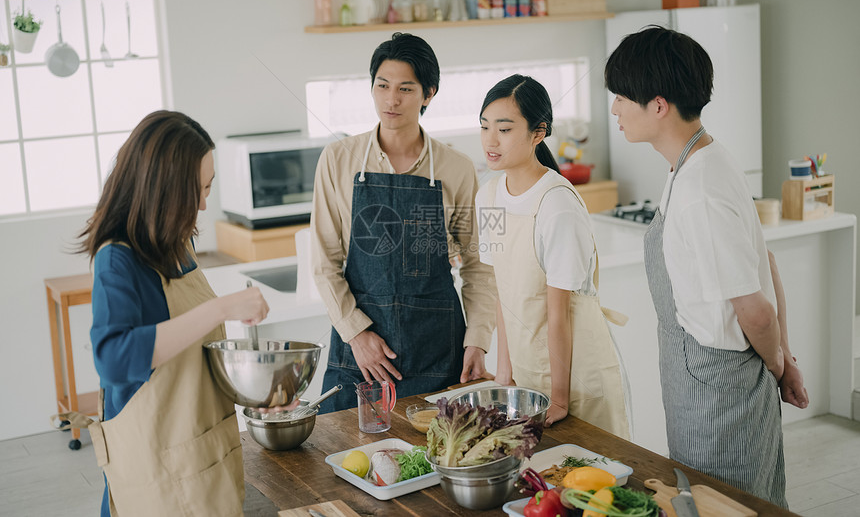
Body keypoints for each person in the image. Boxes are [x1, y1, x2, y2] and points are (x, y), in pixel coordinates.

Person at [605, 26, 809, 506]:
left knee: (726, 505)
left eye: (620, 97)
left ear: (657, 105)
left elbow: (754, 308)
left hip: (720, 394)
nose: (614, 109)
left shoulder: (700, 188)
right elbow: (767, 261)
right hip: (699, 379)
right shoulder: (699, 160)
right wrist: (786, 359)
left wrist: (779, 366)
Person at [75, 110, 272, 516]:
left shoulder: (177, 244)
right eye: (195, 192)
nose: (202, 204)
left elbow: (192, 357)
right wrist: (223, 306)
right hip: (158, 472)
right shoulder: (118, 260)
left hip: (205, 455)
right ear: (162, 190)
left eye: (208, 188)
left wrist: (255, 392)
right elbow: (113, 360)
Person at [311, 32, 496, 413]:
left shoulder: (456, 168)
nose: (391, 99)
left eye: (405, 89)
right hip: (361, 350)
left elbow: (479, 265)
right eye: (382, 85)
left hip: (439, 351)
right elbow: (323, 261)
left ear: (429, 94)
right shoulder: (338, 159)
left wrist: (477, 340)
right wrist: (357, 333)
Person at [475, 74, 630, 436]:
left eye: (505, 129)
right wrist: (504, 374)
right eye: (484, 128)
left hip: (576, 377)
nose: (490, 141)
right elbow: (503, 290)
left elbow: (557, 310)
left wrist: (559, 399)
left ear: (538, 132)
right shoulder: (489, 196)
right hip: (529, 372)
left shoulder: (557, 203)